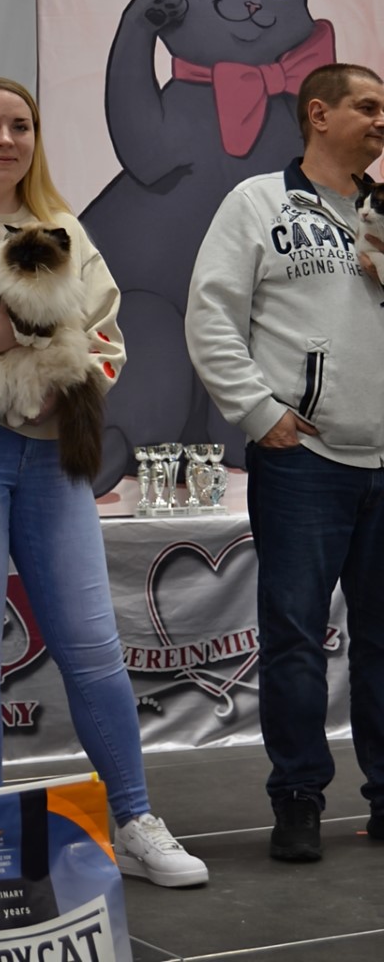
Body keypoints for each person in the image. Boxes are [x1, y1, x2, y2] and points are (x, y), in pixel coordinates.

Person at [0, 76, 208, 889]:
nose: (5, 140)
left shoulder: (65, 227)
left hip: (52, 444)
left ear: (35, 139)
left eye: (20, 126)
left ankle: (136, 820)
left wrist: (75, 382)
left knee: (92, 643)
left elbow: (108, 337)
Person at [185, 62, 384, 863]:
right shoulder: (257, 203)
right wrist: (258, 412)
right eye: (368, 106)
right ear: (318, 114)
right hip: (305, 460)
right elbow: (211, 316)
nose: (381, 120)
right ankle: (298, 797)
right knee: (296, 637)